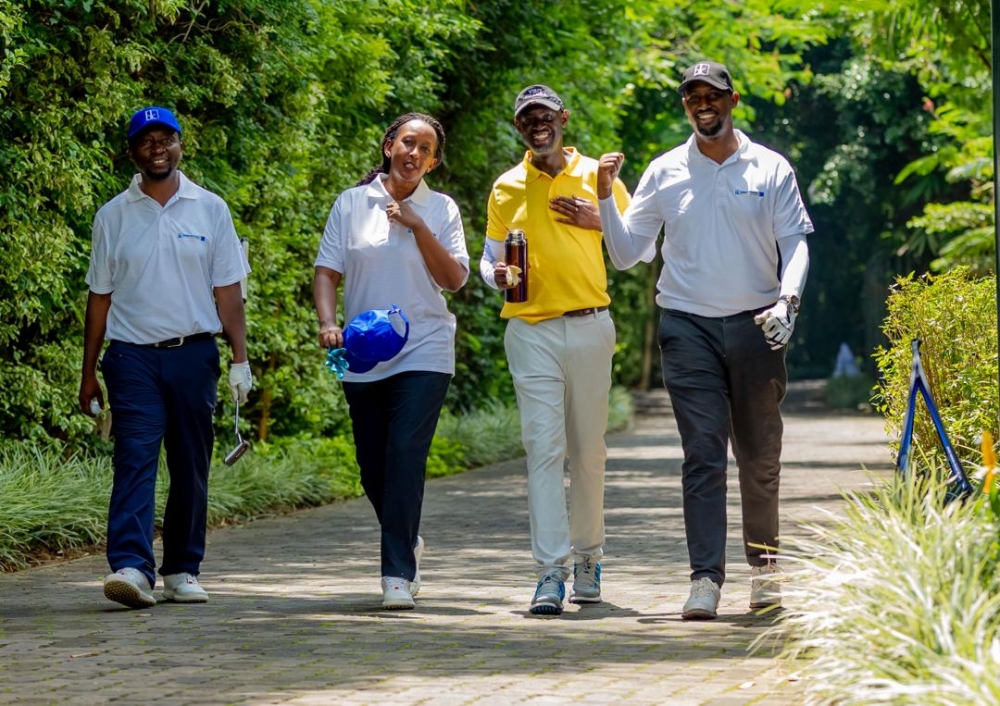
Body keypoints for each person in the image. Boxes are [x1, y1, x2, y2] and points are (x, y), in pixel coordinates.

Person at [597, 61, 814, 620]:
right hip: (687, 325)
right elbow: (626, 255)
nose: (703, 103)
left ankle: (765, 570)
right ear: (686, 105)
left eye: (712, 95)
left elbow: (795, 245)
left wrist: (788, 301)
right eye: (693, 96)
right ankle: (705, 580)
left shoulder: (770, 167)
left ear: (732, 99)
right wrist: (603, 199)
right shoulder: (665, 171)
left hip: (758, 324)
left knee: (760, 455)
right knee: (702, 455)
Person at [79, 106, 252, 609]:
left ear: (180, 145)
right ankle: (132, 567)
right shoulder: (112, 215)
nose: (158, 146)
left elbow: (229, 291)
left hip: (193, 354)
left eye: (166, 137)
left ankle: (182, 568)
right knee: (135, 457)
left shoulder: (210, 208)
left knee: (190, 463)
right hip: (131, 357)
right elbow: (99, 298)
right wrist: (88, 372)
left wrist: (240, 359)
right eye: (146, 139)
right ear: (132, 152)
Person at [480, 85, 633, 616]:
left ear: (563, 119)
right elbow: (489, 257)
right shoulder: (506, 187)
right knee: (542, 450)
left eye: (545, 115)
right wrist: (493, 274)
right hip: (530, 329)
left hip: (591, 324)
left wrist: (599, 213)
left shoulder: (598, 175)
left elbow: (629, 248)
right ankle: (550, 572)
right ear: (518, 126)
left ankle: (589, 557)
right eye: (527, 118)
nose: (537, 124)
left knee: (588, 452)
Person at [313, 112, 469, 610]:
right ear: (388, 146)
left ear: (434, 161)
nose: (414, 154)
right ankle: (406, 537)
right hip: (359, 351)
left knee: (405, 453)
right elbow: (326, 272)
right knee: (370, 465)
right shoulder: (350, 203)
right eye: (407, 143)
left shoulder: (441, 209)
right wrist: (327, 322)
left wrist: (417, 225)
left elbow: (455, 280)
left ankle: (396, 573)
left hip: (425, 345)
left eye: (425, 149)